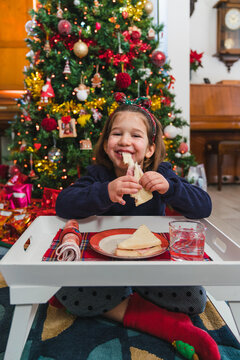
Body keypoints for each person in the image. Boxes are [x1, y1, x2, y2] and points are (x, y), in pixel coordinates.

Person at [54, 94, 220, 360]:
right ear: (107, 143)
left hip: (150, 264)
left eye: (136, 136)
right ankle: (157, 320)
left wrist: (171, 189)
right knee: (66, 292)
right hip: (104, 263)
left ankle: (126, 302)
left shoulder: (162, 174)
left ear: (151, 149)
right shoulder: (100, 175)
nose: (125, 141)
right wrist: (105, 192)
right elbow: (64, 204)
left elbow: (204, 207)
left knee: (194, 299)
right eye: (117, 134)